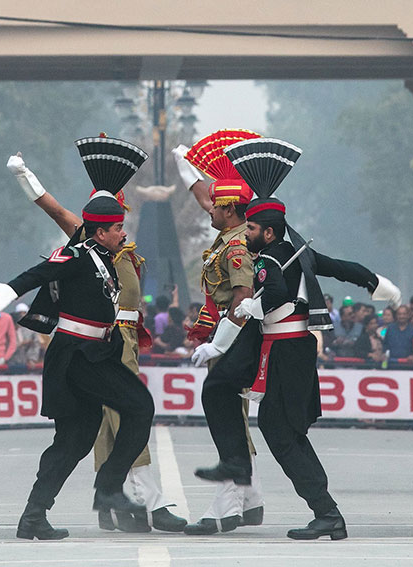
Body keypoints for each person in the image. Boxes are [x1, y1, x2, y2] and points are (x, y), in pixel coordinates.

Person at [194, 136, 401, 541]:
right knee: (228, 394)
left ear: (268, 232)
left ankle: (326, 512)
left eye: (251, 227)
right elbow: (341, 267)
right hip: (281, 347)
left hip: (286, 350)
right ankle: (249, 470)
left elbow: (270, 296)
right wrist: (376, 283)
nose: (246, 232)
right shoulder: (296, 253)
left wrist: (251, 310)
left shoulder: (270, 259)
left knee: (282, 433)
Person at [0, 136, 157, 541]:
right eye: (117, 229)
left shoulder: (104, 258)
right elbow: (34, 276)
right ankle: (110, 489)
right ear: (98, 231)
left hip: (95, 352)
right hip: (77, 355)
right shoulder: (77, 256)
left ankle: (33, 515)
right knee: (140, 407)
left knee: (75, 438)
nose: (122, 234)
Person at [174, 130, 266, 535]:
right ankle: (251, 496)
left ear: (230, 209)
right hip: (225, 337)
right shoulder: (228, 235)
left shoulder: (236, 247)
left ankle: (227, 504)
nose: (208, 208)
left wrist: (220, 342)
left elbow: (243, 294)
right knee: (234, 418)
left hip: (234, 337)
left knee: (225, 414)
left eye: (216, 204)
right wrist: (187, 170)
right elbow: (203, 198)